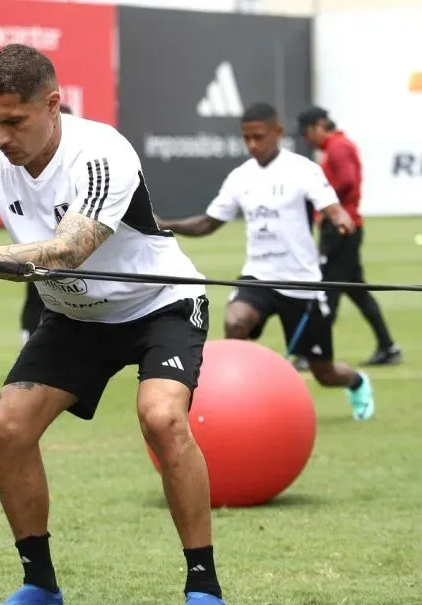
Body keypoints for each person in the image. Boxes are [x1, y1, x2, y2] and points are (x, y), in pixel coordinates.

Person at [0, 44, 228, 605]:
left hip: (161, 304)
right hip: (75, 316)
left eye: (13, 121)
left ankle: (204, 588)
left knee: (161, 418)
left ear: (51, 104)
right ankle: (39, 585)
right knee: (8, 425)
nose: (0, 136)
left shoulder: (103, 153)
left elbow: (67, 250)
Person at [157, 102, 375, 421]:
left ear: (278, 132)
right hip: (258, 277)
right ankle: (242, 400)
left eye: (259, 137)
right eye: (247, 138)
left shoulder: (303, 170)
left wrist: (340, 218)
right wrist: (167, 224)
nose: (252, 145)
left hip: (302, 284)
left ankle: (356, 382)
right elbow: (208, 222)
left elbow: (331, 206)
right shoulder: (240, 177)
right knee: (235, 321)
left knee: (324, 372)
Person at [294, 106, 401, 367]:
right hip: (346, 228)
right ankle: (388, 346)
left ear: (320, 125)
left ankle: (314, 351)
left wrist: (327, 205)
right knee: (357, 292)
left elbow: (348, 181)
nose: (308, 139)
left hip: (340, 229)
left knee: (327, 291)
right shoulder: (337, 146)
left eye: (308, 132)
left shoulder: (338, 147)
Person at [19, 104, 72, 344]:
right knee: (37, 293)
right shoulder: (30, 168)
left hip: (71, 251)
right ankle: (29, 341)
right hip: (40, 248)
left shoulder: (81, 167)